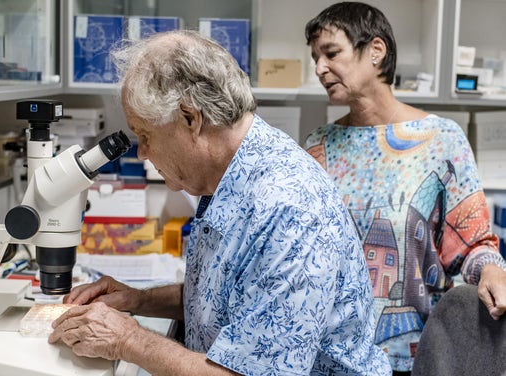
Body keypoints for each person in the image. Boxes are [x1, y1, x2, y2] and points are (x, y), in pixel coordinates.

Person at [47, 29, 391, 375]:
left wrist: (127, 339)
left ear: (190, 118)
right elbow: (227, 297)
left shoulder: (288, 210)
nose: (143, 152)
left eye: (146, 135)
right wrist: (138, 300)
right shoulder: (230, 175)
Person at [304, 2, 506, 374]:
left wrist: (493, 271)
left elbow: (473, 244)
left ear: (375, 52)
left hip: (416, 359)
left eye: (331, 53)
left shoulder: (441, 140)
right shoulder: (319, 146)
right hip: (330, 358)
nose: (319, 68)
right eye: (315, 57)